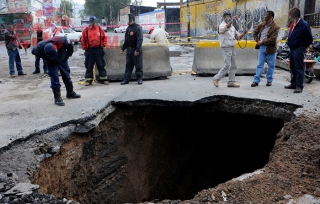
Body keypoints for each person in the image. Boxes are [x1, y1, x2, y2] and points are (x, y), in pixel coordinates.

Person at [32, 36, 81, 106]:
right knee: (54, 76)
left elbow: (71, 46)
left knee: (66, 74)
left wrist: (67, 56)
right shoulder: (40, 46)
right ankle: (57, 97)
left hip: (62, 58)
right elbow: (33, 51)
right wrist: (45, 57)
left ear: (55, 47)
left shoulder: (63, 41)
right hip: (50, 61)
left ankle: (70, 92)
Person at [213, 12, 247, 88]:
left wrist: (244, 33)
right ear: (224, 18)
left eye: (229, 17)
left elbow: (238, 37)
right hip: (226, 48)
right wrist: (231, 21)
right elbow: (225, 28)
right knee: (227, 65)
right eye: (227, 17)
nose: (228, 19)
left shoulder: (232, 27)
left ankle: (231, 82)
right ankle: (216, 78)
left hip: (232, 48)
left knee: (233, 66)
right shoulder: (221, 26)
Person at [285, 7, 313, 93]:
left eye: (290, 15)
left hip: (299, 49)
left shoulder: (303, 24)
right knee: (293, 67)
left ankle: (299, 86)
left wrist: (305, 46)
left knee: (299, 68)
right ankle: (293, 83)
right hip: (292, 48)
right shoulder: (293, 24)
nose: (289, 17)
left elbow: (309, 38)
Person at [251, 10, 280, 87]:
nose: (266, 20)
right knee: (260, 64)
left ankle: (269, 80)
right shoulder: (261, 25)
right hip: (262, 47)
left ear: (272, 18)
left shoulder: (276, 27)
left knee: (271, 65)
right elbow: (254, 32)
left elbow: (273, 39)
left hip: (271, 48)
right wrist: (258, 40)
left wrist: (262, 41)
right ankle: (256, 81)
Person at [81, 16, 109, 86]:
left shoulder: (99, 29)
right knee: (89, 65)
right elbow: (83, 40)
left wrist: (103, 44)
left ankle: (104, 79)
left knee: (101, 64)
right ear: (90, 22)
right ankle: (88, 80)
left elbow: (104, 38)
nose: (95, 23)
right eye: (93, 21)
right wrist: (84, 48)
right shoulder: (85, 30)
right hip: (89, 50)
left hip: (98, 50)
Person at [120, 13, 143, 85]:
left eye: (129, 20)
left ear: (132, 20)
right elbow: (126, 40)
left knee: (138, 66)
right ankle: (126, 79)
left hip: (135, 50)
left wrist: (137, 50)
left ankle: (139, 79)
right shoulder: (128, 29)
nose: (128, 22)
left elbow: (140, 40)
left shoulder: (138, 28)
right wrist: (123, 48)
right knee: (128, 66)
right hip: (129, 50)